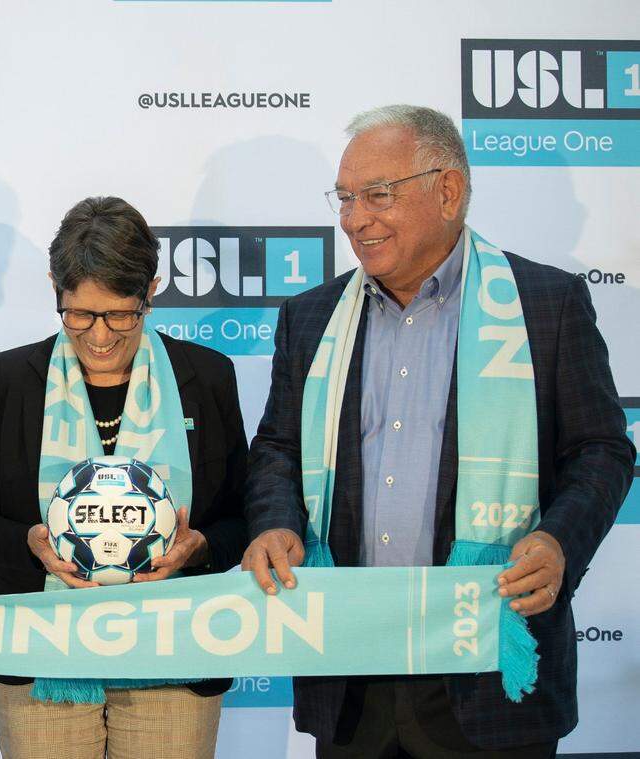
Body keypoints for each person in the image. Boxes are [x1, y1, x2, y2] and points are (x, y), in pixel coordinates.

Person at [242, 104, 635, 758]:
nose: (353, 218)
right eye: (344, 198)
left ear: (447, 190)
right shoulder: (310, 317)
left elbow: (602, 450)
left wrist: (559, 540)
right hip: (350, 675)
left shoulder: (547, 304)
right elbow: (278, 451)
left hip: (488, 679)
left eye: (377, 195)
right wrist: (276, 521)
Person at [0, 196, 247, 759]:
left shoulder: (205, 376)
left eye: (119, 314)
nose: (99, 335)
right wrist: (29, 544)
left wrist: (199, 547)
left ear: (151, 290)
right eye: (78, 314)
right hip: (40, 659)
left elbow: (244, 519)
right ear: (55, 291)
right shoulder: (16, 376)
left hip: (174, 655)